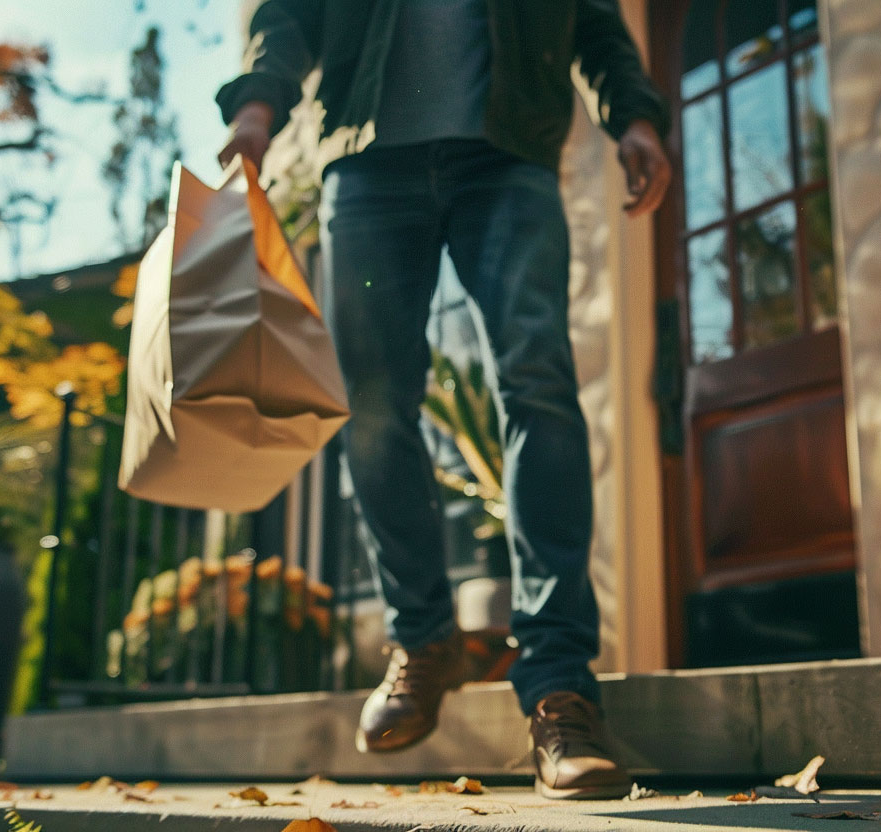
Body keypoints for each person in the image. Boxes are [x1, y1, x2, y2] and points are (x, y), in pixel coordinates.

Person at [217, 0, 671, 800]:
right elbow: (286, 12)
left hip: (509, 158)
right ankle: (425, 642)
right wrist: (257, 109)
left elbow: (595, 20)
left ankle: (560, 688)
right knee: (375, 403)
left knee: (539, 388)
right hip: (366, 167)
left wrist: (632, 113)